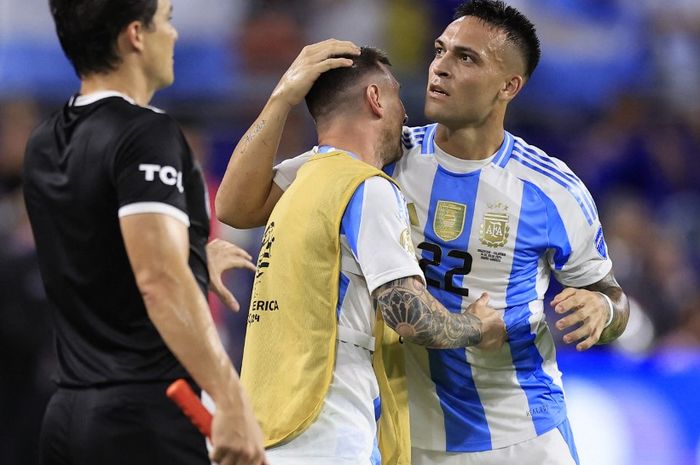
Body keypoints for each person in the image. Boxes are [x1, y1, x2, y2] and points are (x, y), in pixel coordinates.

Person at [215, 1, 631, 465]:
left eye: (465, 58)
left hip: (521, 432)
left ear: (509, 85)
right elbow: (239, 206)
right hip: (408, 436)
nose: (440, 68)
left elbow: (613, 299)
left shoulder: (552, 189)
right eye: (439, 51)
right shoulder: (379, 157)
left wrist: (601, 308)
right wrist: (283, 96)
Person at [233, 45, 506, 465]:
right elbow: (407, 314)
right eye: (396, 95)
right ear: (375, 99)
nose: (406, 114)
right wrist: (477, 327)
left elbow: (233, 206)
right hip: (328, 432)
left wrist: (282, 97)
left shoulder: (306, 180)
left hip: (267, 426)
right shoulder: (367, 187)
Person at [23, 1, 267, 464]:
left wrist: (192, 263)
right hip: (144, 420)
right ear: (135, 35)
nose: (173, 35)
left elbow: (94, 265)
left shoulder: (43, 140)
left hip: (64, 418)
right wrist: (230, 396)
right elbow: (158, 280)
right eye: (167, 20)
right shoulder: (145, 132)